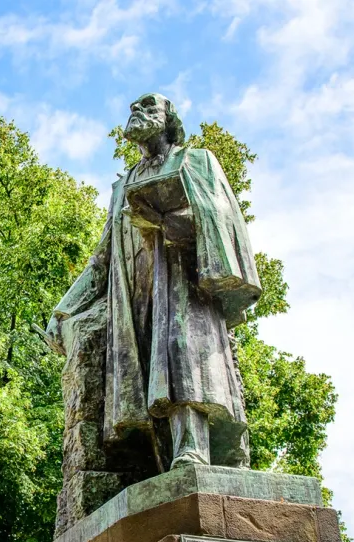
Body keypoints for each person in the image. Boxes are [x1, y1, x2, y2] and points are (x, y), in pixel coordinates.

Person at [47, 93, 261, 473]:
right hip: (136, 294)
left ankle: (193, 450)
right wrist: (63, 310)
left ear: (169, 119)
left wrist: (165, 222)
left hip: (182, 286)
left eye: (148, 106)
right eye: (132, 107)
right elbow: (101, 258)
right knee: (149, 377)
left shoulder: (197, 161)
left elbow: (224, 222)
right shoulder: (122, 186)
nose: (136, 110)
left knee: (183, 358)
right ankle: (163, 466)